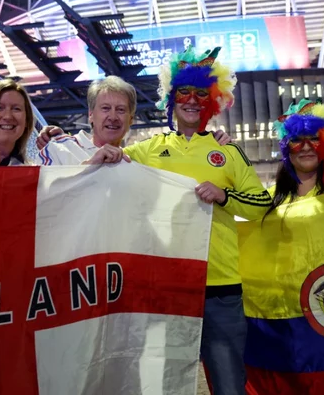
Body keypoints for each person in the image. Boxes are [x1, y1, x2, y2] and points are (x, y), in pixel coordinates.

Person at [121, 47, 271, 395]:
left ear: (213, 102)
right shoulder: (148, 149)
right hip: (165, 289)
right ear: (171, 99)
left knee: (229, 385)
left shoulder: (229, 152)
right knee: (164, 386)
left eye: (201, 94)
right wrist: (56, 140)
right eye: (184, 93)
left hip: (220, 289)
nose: (192, 101)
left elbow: (261, 205)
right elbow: (103, 164)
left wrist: (225, 196)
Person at [36, 75, 232, 164]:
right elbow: (43, 199)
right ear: (90, 114)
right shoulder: (58, 149)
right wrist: (90, 166)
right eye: (105, 108)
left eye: (121, 110)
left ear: (131, 119)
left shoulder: (135, 161)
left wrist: (209, 141)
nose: (113, 117)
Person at [264, 99, 324, 218]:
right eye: (296, 140)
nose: (305, 147)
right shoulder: (268, 198)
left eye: (314, 139)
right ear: (286, 148)